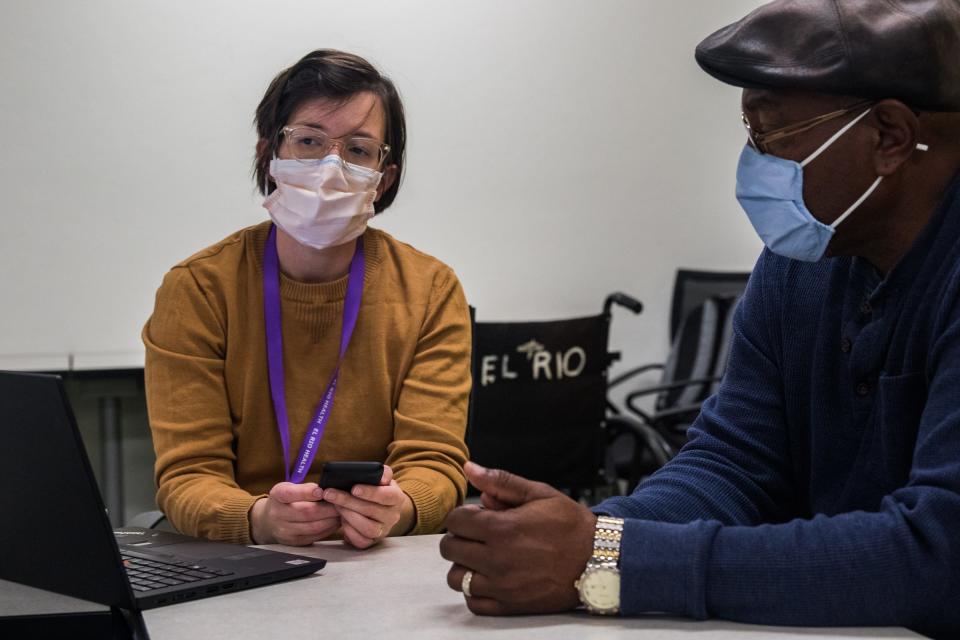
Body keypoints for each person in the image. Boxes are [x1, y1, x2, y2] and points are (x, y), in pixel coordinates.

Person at [439, 2, 960, 638]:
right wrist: (580, 534)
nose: (752, 163)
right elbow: (737, 465)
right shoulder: (802, 262)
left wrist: (609, 562)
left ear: (890, 137)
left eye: (770, 136)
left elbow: (938, 556)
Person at [143, 49, 471, 549]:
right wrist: (256, 518)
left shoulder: (430, 289)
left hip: (381, 558)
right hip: (246, 557)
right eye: (309, 141)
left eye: (359, 151)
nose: (331, 167)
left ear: (384, 178)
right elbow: (187, 474)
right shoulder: (198, 288)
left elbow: (436, 464)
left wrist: (399, 509)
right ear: (268, 156)